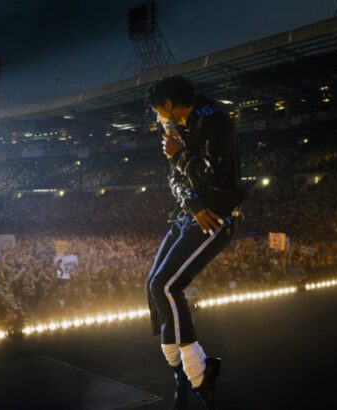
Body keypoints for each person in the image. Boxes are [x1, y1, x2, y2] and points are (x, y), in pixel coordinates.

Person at [144, 76, 245, 410]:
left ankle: (200, 374)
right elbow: (175, 179)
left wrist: (180, 156)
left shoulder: (216, 122)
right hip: (191, 213)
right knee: (153, 286)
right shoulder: (180, 128)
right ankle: (181, 373)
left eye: (157, 109)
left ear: (169, 104)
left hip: (215, 217)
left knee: (166, 286)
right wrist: (191, 201)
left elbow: (215, 176)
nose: (157, 115)